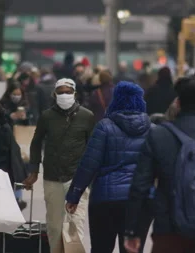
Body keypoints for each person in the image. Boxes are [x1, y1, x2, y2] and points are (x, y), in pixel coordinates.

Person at [124, 74, 195, 253]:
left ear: (177, 103)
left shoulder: (159, 135)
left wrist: (132, 230)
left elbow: (140, 185)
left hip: (169, 231)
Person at [65, 81, 153, 252]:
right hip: (139, 201)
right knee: (132, 249)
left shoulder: (104, 127)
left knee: (101, 248)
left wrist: (74, 195)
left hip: (105, 200)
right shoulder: (153, 130)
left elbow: (88, 164)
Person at [25, 78, 95, 253]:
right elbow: (36, 143)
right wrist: (34, 170)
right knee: (55, 227)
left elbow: (93, 147)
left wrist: (93, 175)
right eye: (61, 92)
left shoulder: (87, 116)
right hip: (52, 178)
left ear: (75, 94)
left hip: (77, 179)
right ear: (54, 94)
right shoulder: (47, 116)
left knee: (75, 224)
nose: (64, 95)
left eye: (68, 92)